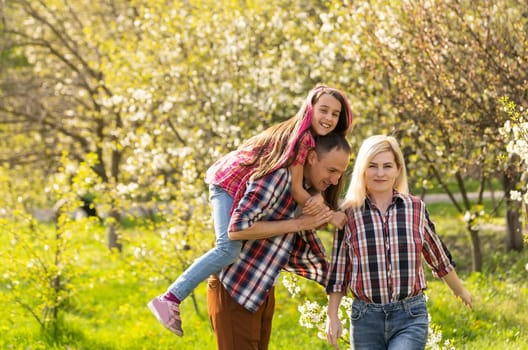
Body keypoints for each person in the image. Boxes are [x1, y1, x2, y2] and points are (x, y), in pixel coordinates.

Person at [148, 85, 353, 336]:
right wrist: (328, 214)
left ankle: (171, 297)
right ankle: (170, 297)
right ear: (309, 109)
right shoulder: (302, 139)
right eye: (324, 110)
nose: (329, 118)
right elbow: (298, 191)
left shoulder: (305, 137)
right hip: (227, 182)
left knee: (232, 244)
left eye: (335, 114)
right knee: (229, 247)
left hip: (235, 183)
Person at [325, 135, 473, 350]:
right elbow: (339, 271)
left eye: (387, 166)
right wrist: (333, 315)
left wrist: (460, 290)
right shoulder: (349, 214)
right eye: (373, 166)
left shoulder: (415, 209)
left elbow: (437, 256)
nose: (380, 173)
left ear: (397, 170)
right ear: (363, 170)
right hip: (365, 319)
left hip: (410, 315)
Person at [209, 132, 352, 349]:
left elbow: (303, 248)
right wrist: (299, 224)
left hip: (262, 289)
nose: (334, 180)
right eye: (331, 170)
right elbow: (237, 228)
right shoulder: (278, 177)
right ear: (311, 157)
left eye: (340, 174)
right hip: (235, 287)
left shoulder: (305, 192)